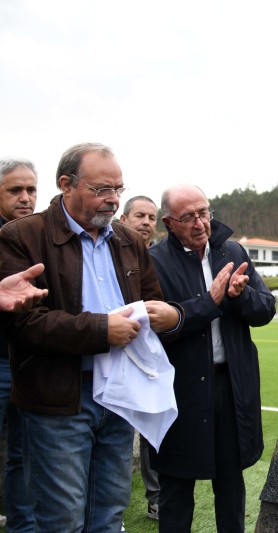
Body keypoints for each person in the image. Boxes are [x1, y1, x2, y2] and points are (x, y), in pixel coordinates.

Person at [0, 142, 181, 533]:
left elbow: (153, 302)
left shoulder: (128, 240)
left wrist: (169, 315)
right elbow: (24, 324)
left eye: (118, 189)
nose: (113, 200)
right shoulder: (22, 236)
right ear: (66, 184)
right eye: (102, 189)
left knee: (109, 515)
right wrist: (102, 331)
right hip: (58, 400)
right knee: (61, 520)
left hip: (119, 396)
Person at [148, 184, 275, 533]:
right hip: (180, 391)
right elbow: (156, 328)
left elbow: (266, 310)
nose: (199, 222)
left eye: (204, 212)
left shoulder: (232, 250)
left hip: (231, 386)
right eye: (187, 216)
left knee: (231, 486)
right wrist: (211, 300)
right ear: (168, 222)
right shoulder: (155, 262)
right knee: (176, 487)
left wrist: (239, 295)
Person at [0, 157, 38, 532]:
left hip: (28, 364)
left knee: (24, 456)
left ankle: (22, 526)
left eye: (30, 190)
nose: (25, 198)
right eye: (15, 190)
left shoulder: (35, 236)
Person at [119, 194, 161, 521]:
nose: (146, 223)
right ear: (123, 218)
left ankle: (156, 498)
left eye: (152, 217)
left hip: (147, 361)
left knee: (147, 432)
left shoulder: (156, 257)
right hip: (109, 359)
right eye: (140, 216)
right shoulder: (109, 253)